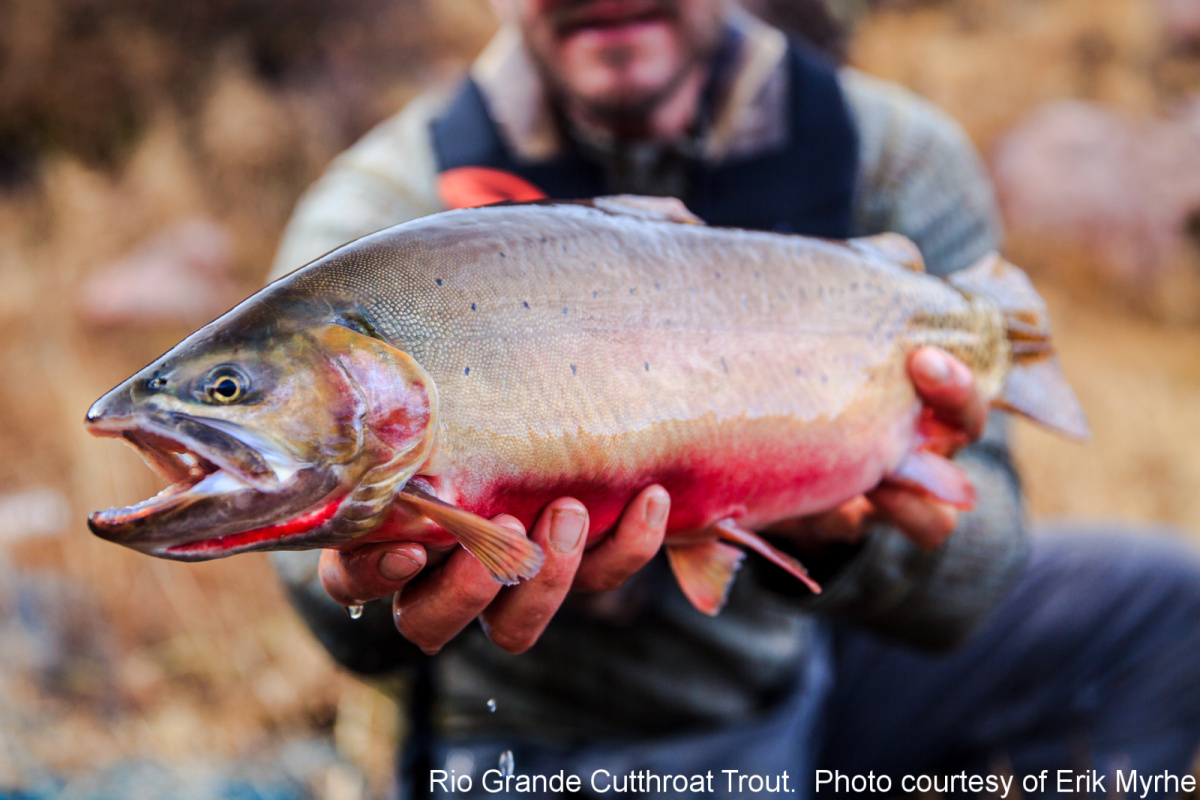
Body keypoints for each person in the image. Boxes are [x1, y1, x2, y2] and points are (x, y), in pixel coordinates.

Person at [267, 1, 1200, 797]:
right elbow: (322, 605)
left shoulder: (892, 159)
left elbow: (982, 570)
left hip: (808, 663)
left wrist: (847, 527)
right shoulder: (380, 215)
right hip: (528, 731)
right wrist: (368, 575)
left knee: (1170, 605)